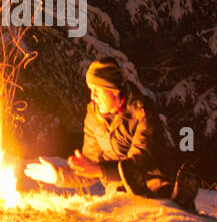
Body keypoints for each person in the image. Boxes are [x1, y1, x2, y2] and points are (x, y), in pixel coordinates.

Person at [25, 58, 198, 211]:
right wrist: (57, 175)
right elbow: (89, 167)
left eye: (97, 91)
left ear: (114, 91)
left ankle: (177, 201)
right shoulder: (93, 117)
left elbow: (141, 160)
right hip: (117, 189)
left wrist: (101, 170)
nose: (93, 97)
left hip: (152, 180)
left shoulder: (141, 111)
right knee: (117, 199)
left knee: (157, 198)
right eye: (90, 90)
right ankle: (168, 203)